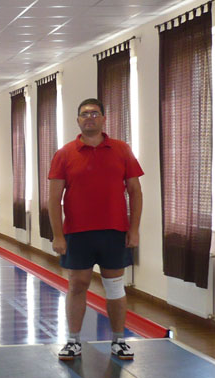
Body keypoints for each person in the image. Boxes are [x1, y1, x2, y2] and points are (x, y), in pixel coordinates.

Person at [48, 98, 143, 361]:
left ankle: (119, 340)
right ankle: (73, 341)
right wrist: (58, 235)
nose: (89, 117)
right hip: (77, 233)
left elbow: (135, 192)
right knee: (77, 285)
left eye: (94, 113)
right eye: (84, 114)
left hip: (114, 231)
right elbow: (54, 199)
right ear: (78, 120)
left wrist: (134, 229)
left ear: (103, 118)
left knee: (115, 287)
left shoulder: (122, 150)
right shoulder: (64, 154)